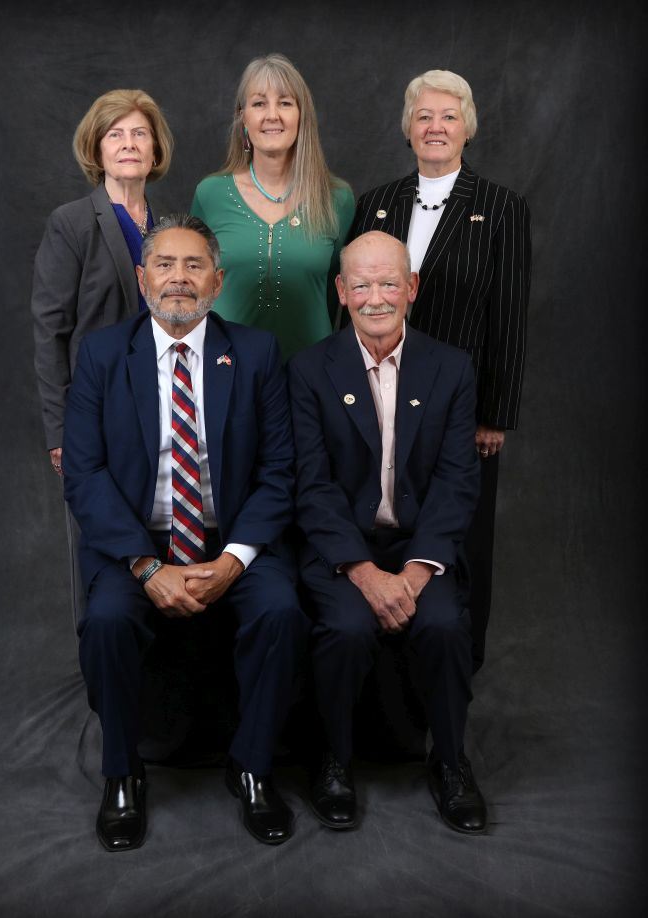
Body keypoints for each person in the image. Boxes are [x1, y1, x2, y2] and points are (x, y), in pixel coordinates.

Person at [62, 214, 308, 851]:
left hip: (231, 538)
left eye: (193, 265)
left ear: (217, 280)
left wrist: (233, 560)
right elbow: (84, 474)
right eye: (165, 265)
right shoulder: (102, 354)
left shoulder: (253, 353)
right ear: (142, 278)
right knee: (109, 621)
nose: (179, 278)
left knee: (281, 608)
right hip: (136, 545)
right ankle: (123, 774)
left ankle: (252, 767)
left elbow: (280, 470)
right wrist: (145, 567)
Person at [288, 231, 487, 835]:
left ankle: (450, 762)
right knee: (346, 628)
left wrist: (418, 571)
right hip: (344, 551)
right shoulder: (308, 369)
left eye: (389, 282)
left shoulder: (451, 368)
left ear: (412, 288)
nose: (377, 297)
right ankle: (333, 763)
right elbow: (312, 486)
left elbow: (457, 483)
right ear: (342, 293)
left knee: (447, 623)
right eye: (363, 284)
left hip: (417, 547)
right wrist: (365, 573)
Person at [349, 69, 531, 671]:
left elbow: (509, 317)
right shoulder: (376, 202)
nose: (435, 126)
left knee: (458, 542)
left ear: (468, 129)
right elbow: (350, 300)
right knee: (381, 525)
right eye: (424, 116)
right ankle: (378, 670)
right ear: (407, 128)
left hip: (462, 408)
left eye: (449, 116)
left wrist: (494, 416)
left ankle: (457, 672)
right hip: (379, 393)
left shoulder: (501, 207)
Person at [31, 88, 173, 622]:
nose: (129, 144)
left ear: (156, 151)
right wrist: (60, 430)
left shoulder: (164, 228)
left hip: (161, 407)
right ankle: (100, 673)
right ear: (97, 148)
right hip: (95, 412)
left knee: (154, 536)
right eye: (116, 134)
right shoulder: (71, 222)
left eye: (140, 133)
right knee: (98, 544)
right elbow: (50, 331)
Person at [190, 52, 354, 361]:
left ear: (302, 116)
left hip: (311, 373)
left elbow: (337, 295)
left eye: (285, 103)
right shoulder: (211, 193)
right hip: (226, 371)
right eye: (259, 103)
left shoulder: (337, 198)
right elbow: (194, 286)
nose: (272, 115)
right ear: (243, 117)